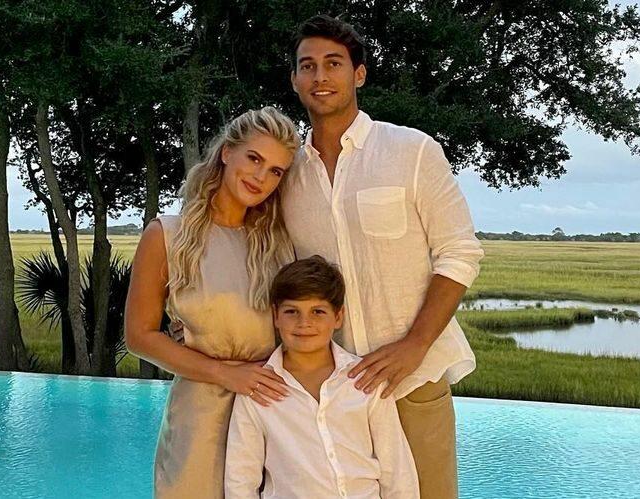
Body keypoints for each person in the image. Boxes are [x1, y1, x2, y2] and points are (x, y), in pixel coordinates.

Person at [281, 15, 485, 499]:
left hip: (416, 379)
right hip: (334, 388)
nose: (320, 77)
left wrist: (414, 344)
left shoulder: (412, 151)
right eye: (307, 66)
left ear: (359, 74)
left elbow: (459, 252)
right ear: (294, 80)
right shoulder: (286, 173)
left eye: (334, 64)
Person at [124, 107, 300, 498]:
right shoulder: (166, 235)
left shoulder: (281, 244)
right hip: (200, 416)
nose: (260, 177)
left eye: (275, 171)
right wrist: (226, 374)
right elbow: (139, 336)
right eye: (254, 158)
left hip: (272, 412)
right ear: (226, 153)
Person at [224, 256, 419, 499]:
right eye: (291, 311)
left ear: (338, 317)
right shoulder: (258, 388)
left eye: (318, 311)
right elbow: (240, 478)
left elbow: (396, 469)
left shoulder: (365, 379)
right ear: (275, 316)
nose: (304, 323)